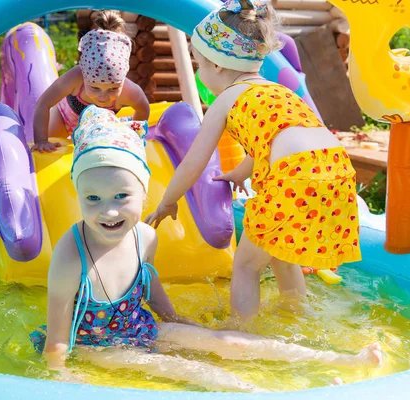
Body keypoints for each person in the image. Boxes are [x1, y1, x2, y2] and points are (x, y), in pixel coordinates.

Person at [30, 106, 381, 392]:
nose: (108, 211)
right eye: (92, 199)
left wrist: (177, 322)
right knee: (190, 371)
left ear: (144, 193)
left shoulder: (144, 237)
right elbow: (58, 341)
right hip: (99, 347)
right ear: (78, 196)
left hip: (140, 327)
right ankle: (271, 394)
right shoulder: (70, 255)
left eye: (121, 196)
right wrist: (62, 378)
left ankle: (346, 361)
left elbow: (148, 285)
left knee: (231, 342)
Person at [145, 0, 362, 323]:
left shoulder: (226, 99)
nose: (200, 72)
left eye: (199, 64)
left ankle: (239, 334)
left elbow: (194, 162)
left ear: (217, 66)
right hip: (337, 169)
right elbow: (272, 141)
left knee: (246, 265)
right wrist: (239, 173)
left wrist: (167, 201)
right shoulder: (278, 92)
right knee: (281, 254)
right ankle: (295, 317)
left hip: (294, 175)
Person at [31, 10, 150, 152]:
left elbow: (143, 108)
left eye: (113, 89)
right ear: (84, 75)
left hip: (98, 128)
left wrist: (135, 135)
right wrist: (41, 141)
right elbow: (43, 103)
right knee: (52, 149)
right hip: (64, 120)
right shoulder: (75, 78)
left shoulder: (129, 91)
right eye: (95, 88)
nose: (103, 96)